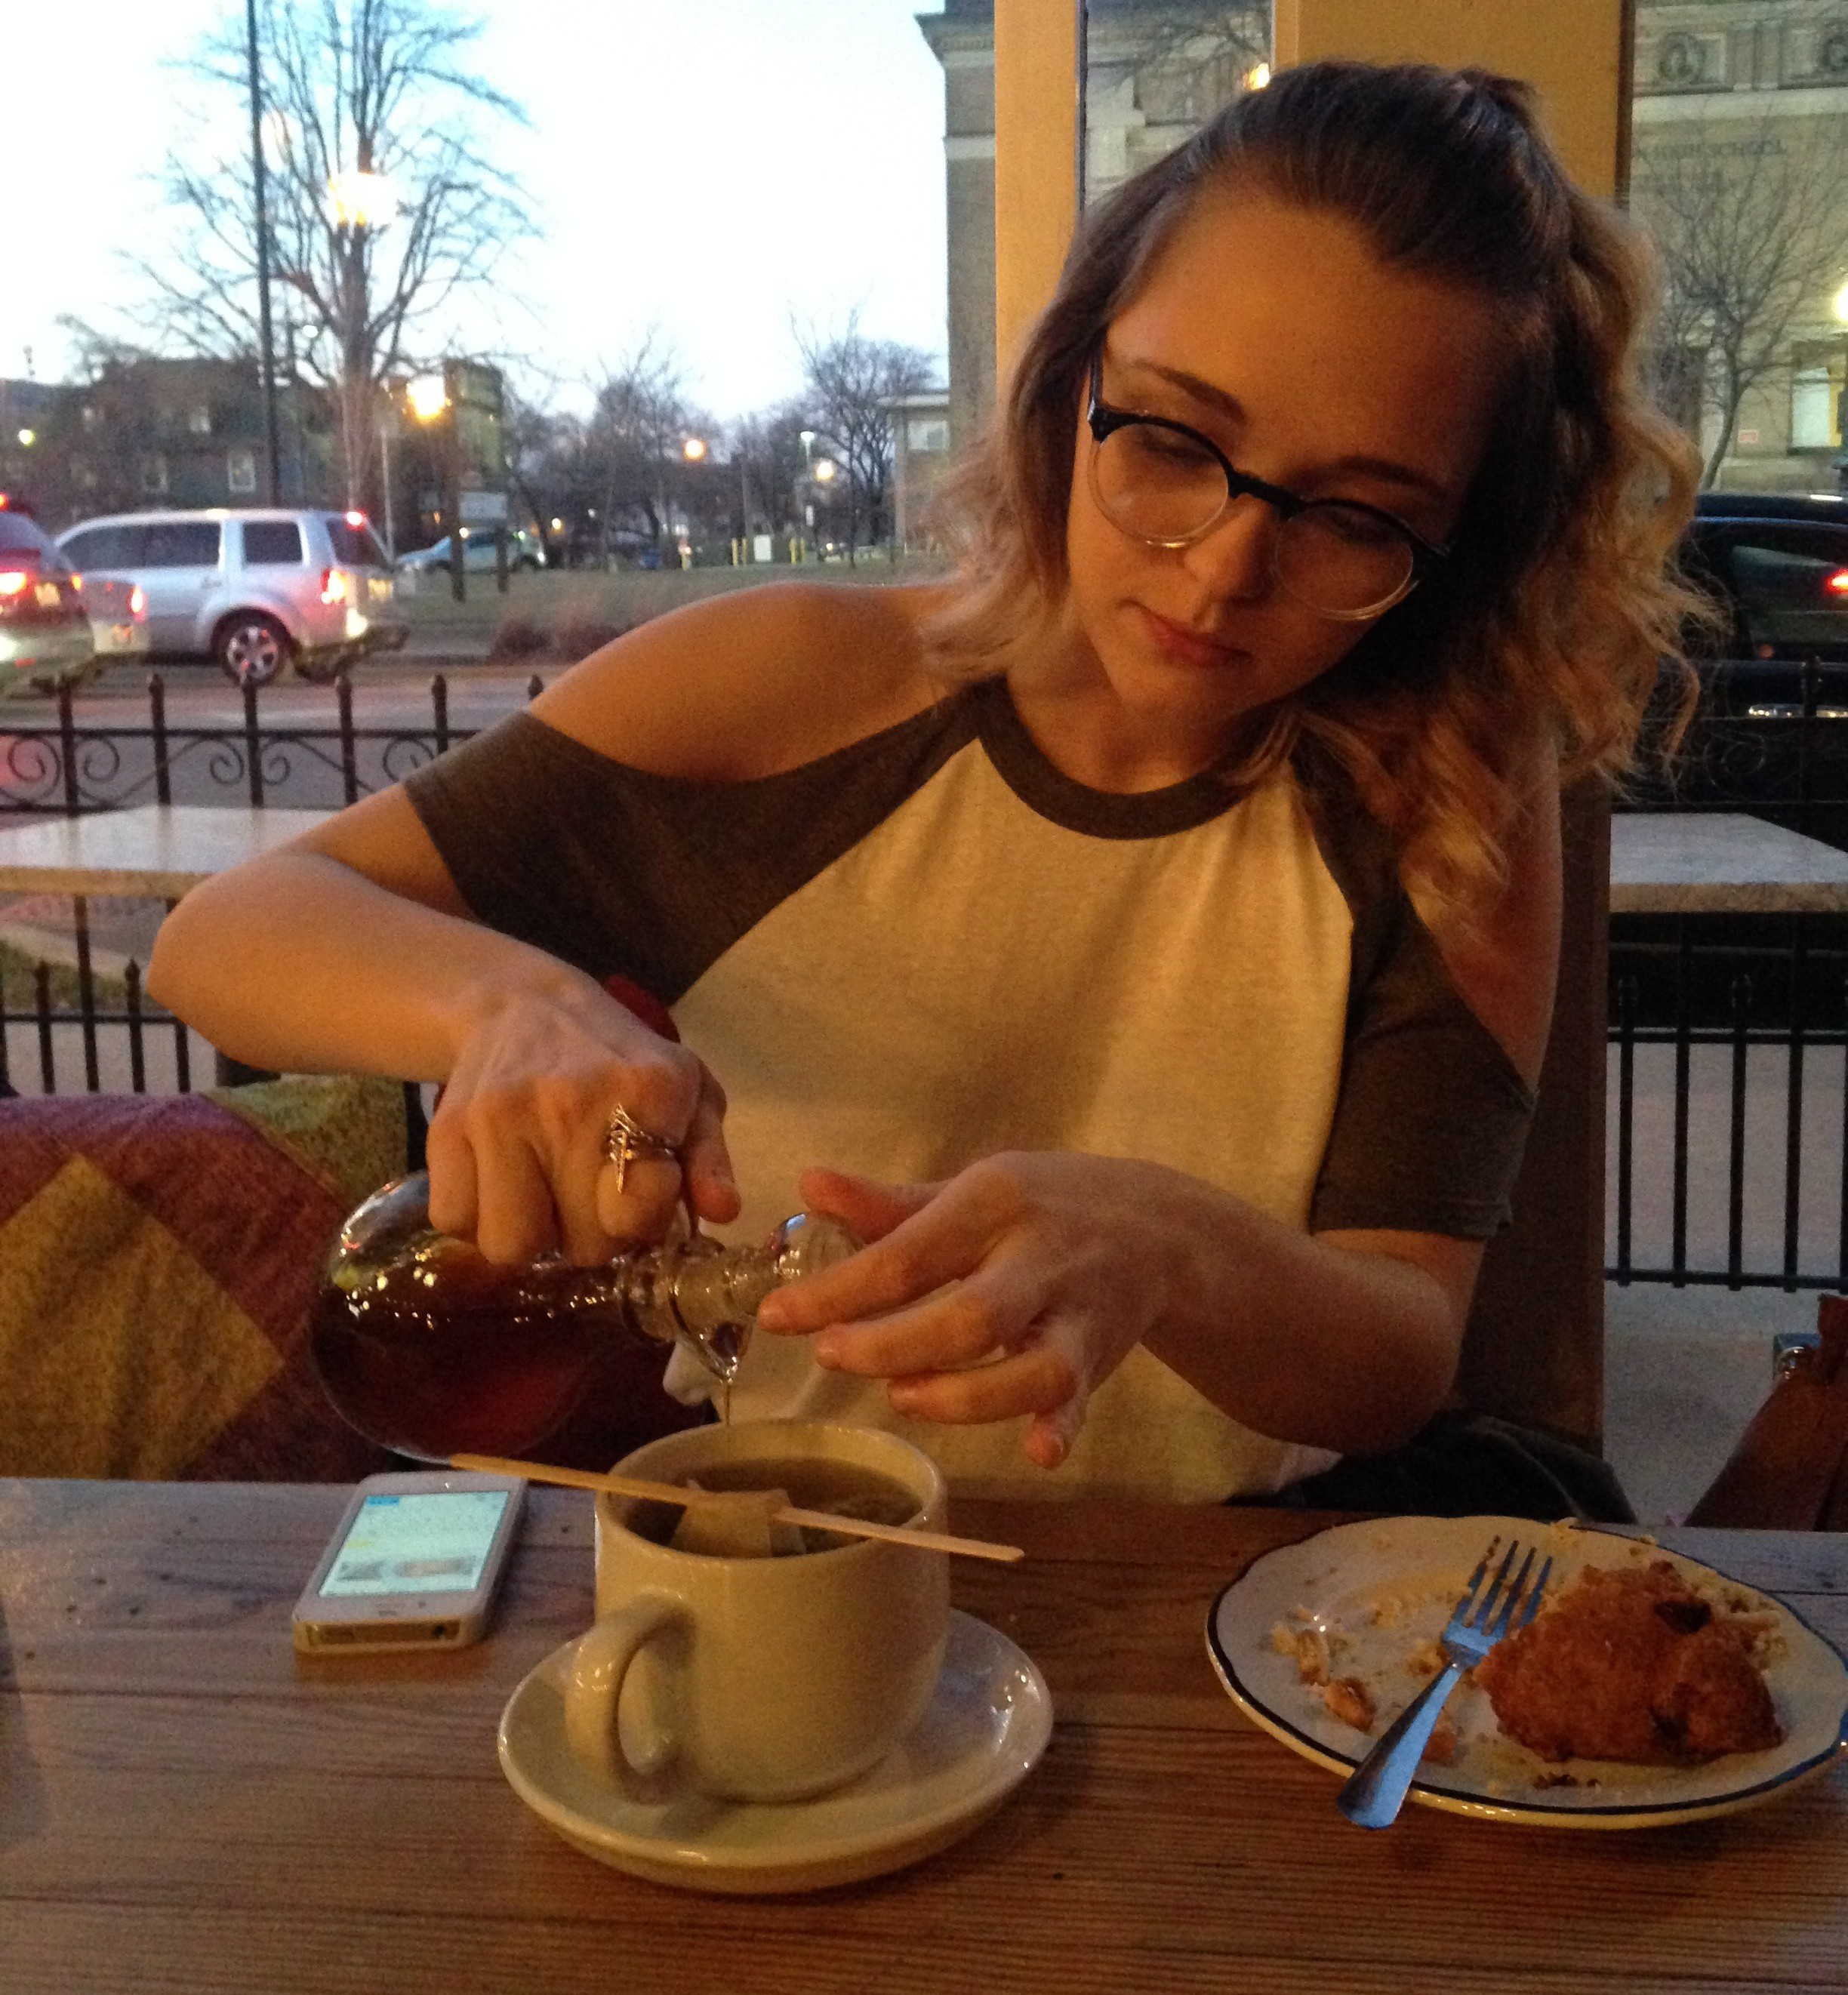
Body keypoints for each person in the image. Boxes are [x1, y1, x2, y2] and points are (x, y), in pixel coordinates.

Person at [149, 62, 1696, 1510]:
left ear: (1455, 549)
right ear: (1070, 377)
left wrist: (1168, 1247)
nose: (1224, 568)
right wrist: (504, 1007)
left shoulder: (1444, 795)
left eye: (1358, 516)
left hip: (1207, 1614)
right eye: (1172, 435)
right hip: (770, 1554)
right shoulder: (796, 686)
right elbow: (224, 938)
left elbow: (1398, 1348)